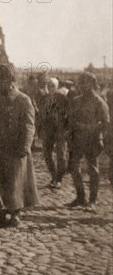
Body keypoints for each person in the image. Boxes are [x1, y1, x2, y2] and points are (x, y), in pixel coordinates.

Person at [0, 65, 39, 228]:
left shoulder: (23, 100)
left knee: (16, 181)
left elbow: (29, 125)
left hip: (17, 148)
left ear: (11, 81)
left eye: (1, 80)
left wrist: (25, 146)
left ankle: (16, 212)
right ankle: (3, 210)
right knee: (0, 180)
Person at [67, 72, 110, 210]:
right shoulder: (76, 101)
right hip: (77, 139)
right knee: (73, 167)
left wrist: (88, 127)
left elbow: (105, 123)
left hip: (93, 139)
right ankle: (80, 197)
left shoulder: (99, 102)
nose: (81, 85)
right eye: (80, 83)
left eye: (84, 83)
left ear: (92, 84)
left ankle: (92, 200)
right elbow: (70, 119)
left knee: (92, 169)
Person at [38, 77, 69, 189]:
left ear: (57, 87)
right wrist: (40, 129)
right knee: (47, 154)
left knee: (61, 155)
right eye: (48, 85)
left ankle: (59, 178)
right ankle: (54, 176)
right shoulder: (44, 99)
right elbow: (41, 115)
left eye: (53, 85)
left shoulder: (63, 98)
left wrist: (66, 129)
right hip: (48, 130)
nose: (50, 87)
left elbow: (68, 114)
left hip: (60, 130)